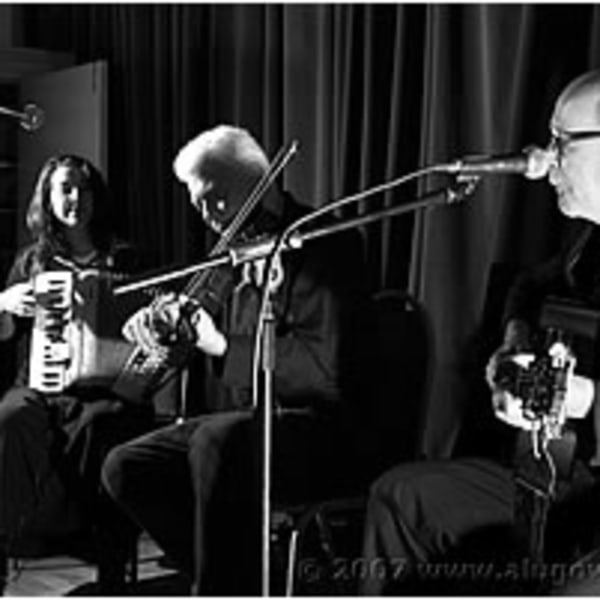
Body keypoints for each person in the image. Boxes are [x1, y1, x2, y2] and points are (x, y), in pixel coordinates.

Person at [101, 125, 372, 594]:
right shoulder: (231, 255)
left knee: (216, 440)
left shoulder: (327, 245)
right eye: (198, 205)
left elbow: (323, 375)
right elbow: (194, 330)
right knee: (125, 467)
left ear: (260, 187)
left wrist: (223, 345)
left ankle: (223, 588)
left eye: (216, 199)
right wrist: (165, 327)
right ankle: (235, 577)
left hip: (322, 431)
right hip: (254, 427)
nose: (208, 217)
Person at [360, 69, 600, 595]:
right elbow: (527, 288)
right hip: (561, 479)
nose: (544, 157)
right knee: (403, 497)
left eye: (563, 142)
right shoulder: (589, 247)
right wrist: (515, 344)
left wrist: (585, 400)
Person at [0, 155, 154, 595]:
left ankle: (105, 558)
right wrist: (4, 304)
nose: (76, 199)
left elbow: (154, 331)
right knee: (10, 418)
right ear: (47, 200)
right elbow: (6, 336)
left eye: (84, 189)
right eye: (65, 189)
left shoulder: (127, 258)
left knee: (102, 423)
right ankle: (11, 539)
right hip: (40, 386)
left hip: (106, 390)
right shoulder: (32, 263)